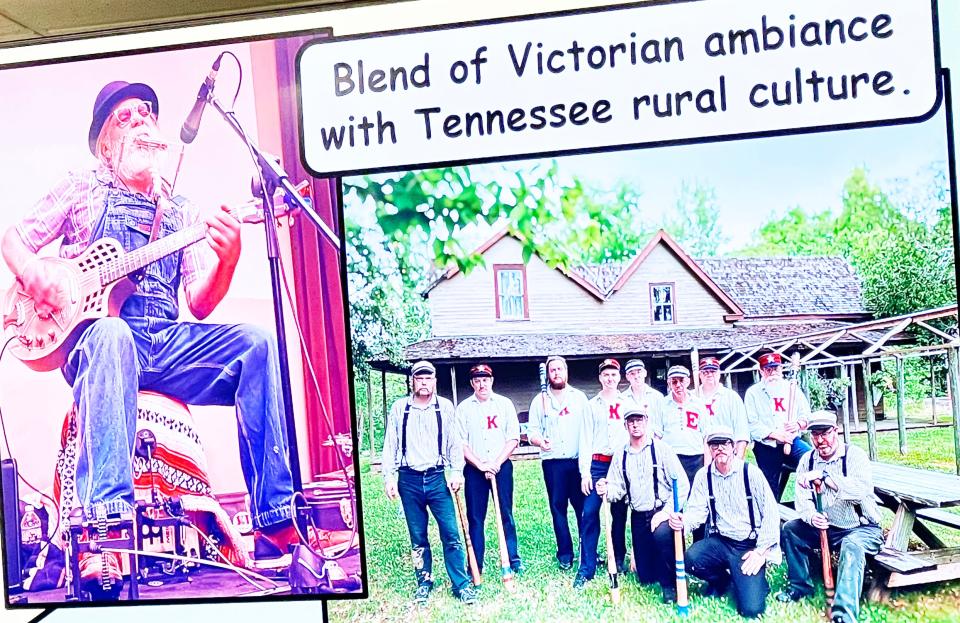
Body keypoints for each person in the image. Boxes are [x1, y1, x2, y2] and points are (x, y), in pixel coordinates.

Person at [1, 81, 296, 594]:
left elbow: (200, 302)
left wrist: (228, 261)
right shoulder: (80, 188)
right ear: (103, 142)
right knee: (113, 332)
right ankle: (105, 533)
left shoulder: (182, 209)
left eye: (147, 112)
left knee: (257, 343)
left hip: (165, 342)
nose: (141, 118)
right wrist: (33, 273)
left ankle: (275, 522)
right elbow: (16, 239)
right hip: (97, 343)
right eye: (125, 115)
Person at [382, 360, 477, 604]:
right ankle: (424, 581)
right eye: (419, 378)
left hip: (437, 479)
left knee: (451, 533)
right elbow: (390, 445)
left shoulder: (444, 407)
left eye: (428, 378)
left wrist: (456, 472)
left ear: (434, 381)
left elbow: (454, 444)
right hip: (409, 480)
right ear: (411, 381)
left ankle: (461, 584)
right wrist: (389, 477)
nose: (423, 383)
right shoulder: (399, 408)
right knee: (418, 536)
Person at [777, 411, 883, 623]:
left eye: (825, 433)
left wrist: (826, 478)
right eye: (815, 435)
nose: (820, 440)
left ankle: (844, 614)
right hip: (827, 527)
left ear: (836, 431)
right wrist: (811, 517)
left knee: (852, 545)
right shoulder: (807, 460)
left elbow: (860, 490)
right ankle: (800, 588)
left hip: (861, 527)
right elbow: (802, 500)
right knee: (790, 529)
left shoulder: (854, 455)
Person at [669, 427, 780, 619]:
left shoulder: (751, 473)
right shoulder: (704, 475)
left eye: (724, 443)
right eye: (714, 445)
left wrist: (761, 552)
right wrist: (683, 522)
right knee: (690, 559)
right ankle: (723, 582)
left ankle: (755, 584)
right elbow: (696, 511)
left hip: (748, 545)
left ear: (734, 447)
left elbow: (771, 514)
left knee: (751, 610)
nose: (719, 448)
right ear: (709, 449)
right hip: (721, 541)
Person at [597, 407, 689, 603]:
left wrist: (666, 512)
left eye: (639, 420)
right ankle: (653, 563)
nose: (635, 424)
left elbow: (682, 484)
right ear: (625, 425)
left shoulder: (662, 449)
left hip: (662, 511)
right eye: (631, 421)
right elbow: (617, 488)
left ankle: (670, 584)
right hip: (638, 516)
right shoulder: (621, 454)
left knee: (663, 535)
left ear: (647, 422)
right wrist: (605, 488)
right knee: (646, 577)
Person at [455, 363, 524, 577]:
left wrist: (495, 463)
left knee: (506, 514)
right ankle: (476, 564)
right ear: (472, 383)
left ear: (492, 381)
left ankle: (513, 559)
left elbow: (513, 437)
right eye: (477, 380)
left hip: (501, 467)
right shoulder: (464, 408)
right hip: (475, 470)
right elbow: (461, 443)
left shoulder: (504, 404)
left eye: (485, 379)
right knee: (476, 518)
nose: (482, 383)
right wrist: (481, 464)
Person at [527, 355, 589, 572]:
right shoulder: (539, 401)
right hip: (553, 463)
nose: (556, 373)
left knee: (582, 508)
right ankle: (565, 553)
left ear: (566, 371)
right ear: (548, 374)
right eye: (552, 370)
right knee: (558, 508)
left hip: (576, 460)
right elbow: (532, 431)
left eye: (559, 369)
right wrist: (539, 441)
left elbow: (587, 432)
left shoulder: (579, 398)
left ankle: (587, 550)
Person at [576, 358, 629, 588]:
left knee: (619, 512)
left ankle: (617, 558)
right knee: (589, 513)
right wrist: (585, 473)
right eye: (605, 375)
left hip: (619, 464)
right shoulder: (591, 405)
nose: (610, 378)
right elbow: (585, 440)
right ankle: (586, 567)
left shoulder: (627, 403)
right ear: (600, 378)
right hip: (597, 464)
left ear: (619, 378)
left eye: (614, 374)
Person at [744, 352, 812, 499]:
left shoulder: (792, 389)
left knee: (812, 461)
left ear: (781, 369)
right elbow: (752, 425)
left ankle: (810, 505)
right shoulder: (753, 393)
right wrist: (775, 435)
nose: (772, 372)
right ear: (761, 371)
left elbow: (806, 416)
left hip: (792, 443)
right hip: (766, 446)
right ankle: (773, 515)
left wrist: (798, 424)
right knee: (769, 488)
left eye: (776, 368)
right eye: (768, 369)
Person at [654, 365, 711, 487]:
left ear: (688, 381)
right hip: (671, 457)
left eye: (681, 380)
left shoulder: (699, 404)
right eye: (674, 381)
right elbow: (657, 437)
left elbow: (706, 437)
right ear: (669, 384)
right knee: (675, 497)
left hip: (695, 457)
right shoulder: (662, 404)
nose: (678, 385)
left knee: (696, 497)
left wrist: (707, 466)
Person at [696, 357, 750, 459]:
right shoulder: (692, 398)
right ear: (699, 375)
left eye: (713, 371)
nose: (709, 374)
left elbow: (741, 431)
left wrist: (738, 460)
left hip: (725, 450)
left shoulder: (731, 397)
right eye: (705, 372)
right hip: (698, 454)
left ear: (719, 373)